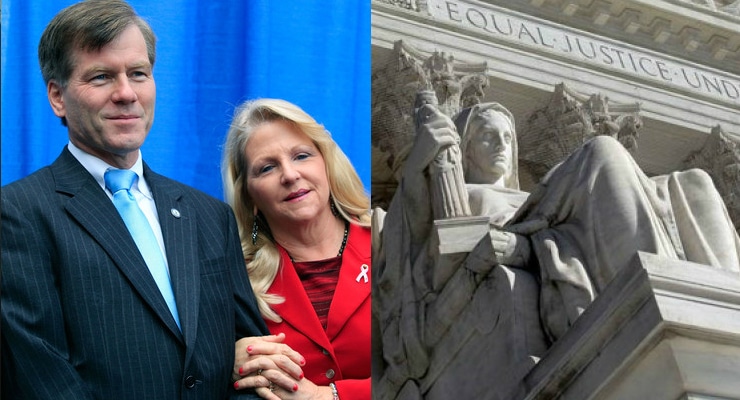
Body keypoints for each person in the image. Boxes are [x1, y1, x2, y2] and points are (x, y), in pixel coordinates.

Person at [374, 92, 740, 396]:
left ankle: (719, 319)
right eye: (487, 136)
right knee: (602, 152)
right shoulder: (468, 197)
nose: (501, 145)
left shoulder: (527, 193)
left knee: (695, 183)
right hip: (538, 236)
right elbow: (437, 262)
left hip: (554, 227)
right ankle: (654, 306)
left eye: (507, 137)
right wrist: (422, 166)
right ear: (465, 149)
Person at [0, 1, 269, 398]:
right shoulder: (17, 213)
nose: (126, 93)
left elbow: (252, 363)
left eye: (138, 74)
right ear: (57, 96)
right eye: (101, 77)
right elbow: (41, 377)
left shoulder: (211, 216)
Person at [222, 98, 372, 400]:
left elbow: (441, 371)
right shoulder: (231, 276)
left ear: (326, 163)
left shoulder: (398, 244)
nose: (290, 175)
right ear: (248, 196)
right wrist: (224, 359)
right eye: (267, 168)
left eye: (301, 156)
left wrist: (327, 396)